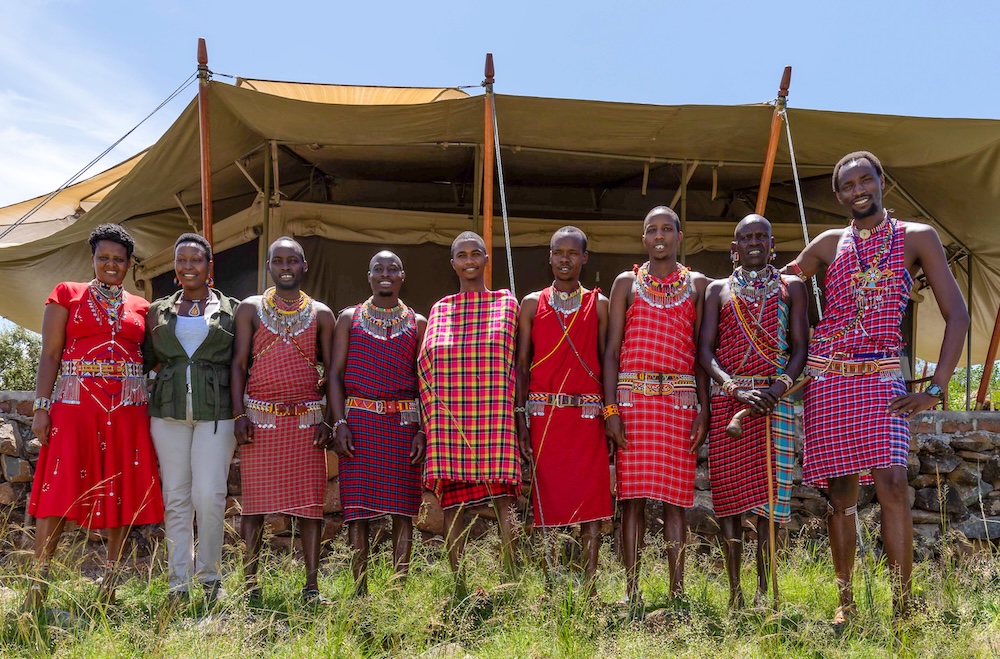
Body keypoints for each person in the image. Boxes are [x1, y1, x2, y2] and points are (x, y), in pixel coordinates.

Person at [783, 151, 968, 624]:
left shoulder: (917, 237)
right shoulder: (827, 243)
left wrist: (937, 386)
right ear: (838, 194)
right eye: (848, 185)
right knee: (841, 496)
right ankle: (845, 606)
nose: (858, 189)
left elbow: (958, 315)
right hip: (829, 382)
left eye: (866, 180)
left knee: (894, 484)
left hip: (883, 379)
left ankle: (904, 607)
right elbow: (782, 282)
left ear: (882, 181)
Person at [25, 223, 164, 610]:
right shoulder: (67, 294)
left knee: (120, 490)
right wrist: (41, 406)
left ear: (129, 264)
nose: (111, 264)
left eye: (119, 259)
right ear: (92, 259)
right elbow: (50, 355)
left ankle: (110, 582)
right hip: (74, 408)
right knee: (58, 487)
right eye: (103, 257)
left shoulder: (142, 306)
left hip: (127, 412)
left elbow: (154, 357)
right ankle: (38, 583)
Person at [699, 215, 808, 608]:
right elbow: (705, 352)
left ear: (772, 243)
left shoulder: (791, 287)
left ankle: (765, 591)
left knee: (770, 502)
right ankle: (735, 593)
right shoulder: (717, 290)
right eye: (746, 237)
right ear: (735, 248)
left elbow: (800, 349)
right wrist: (733, 388)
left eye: (762, 235)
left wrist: (777, 388)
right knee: (729, 501)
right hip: (730, 401)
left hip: (773, 401)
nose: (754, 242)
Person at [603, 206, 709, 612]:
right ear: (643, 239)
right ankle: (631, 590)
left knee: (676, 501)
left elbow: (702, 355)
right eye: (652, 230)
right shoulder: (626, 283)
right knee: (631, 498)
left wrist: (705, 408)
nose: (659, 235)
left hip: (680, 402)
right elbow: (611, 352)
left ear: (680, 236)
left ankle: (677, 591)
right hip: (632, 401)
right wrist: (611, 409)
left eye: (667, 228)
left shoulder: (698, 284)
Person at [231, 236, 337, 606]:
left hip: (307, 423)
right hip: (260, 420)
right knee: (255, 507)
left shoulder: (323, 313)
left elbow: (331, 371)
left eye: (293, 260)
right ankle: (249, 584)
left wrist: (328, 417)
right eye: (279, 260)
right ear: (269, 267)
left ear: (304, 266)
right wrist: (239, 414)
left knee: (310, 508)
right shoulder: (250, 308)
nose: (286, 266)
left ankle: (311, 588)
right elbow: (239, 365)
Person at [418, 231, 521, 596]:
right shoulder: (441, 308)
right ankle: (459, 583)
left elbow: (515, 362)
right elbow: (425, 363)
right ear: (453, 264)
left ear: (487, 259)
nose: (469, 260)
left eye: (476, 253)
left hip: (494, 416)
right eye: (461, 255)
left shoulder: (506, 304)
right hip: (450, 419)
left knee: (504, 499)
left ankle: (511, 579)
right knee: (453, 503)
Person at [144, 233, 239, 606]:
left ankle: (211, 576)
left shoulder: (232, 309)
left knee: (209, 494)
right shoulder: (158, 310)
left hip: (216, 412)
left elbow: (240, 360)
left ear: (209, 266)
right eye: (181, 260)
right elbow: (148, 356)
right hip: (167, 413)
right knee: (176, 497)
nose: (187, 266)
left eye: (195, 260)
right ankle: (178, 583)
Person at [515, 226, 612, 591]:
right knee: (548, 504)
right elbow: (521, 365)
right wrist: (520, 417)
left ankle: (589, 585)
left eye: (573, 253)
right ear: (550, 256)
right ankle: (550, 584)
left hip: (587, 417)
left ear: (584, 258)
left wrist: (610, 414)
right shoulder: (530, 303)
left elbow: (606, 360)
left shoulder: (598, 304)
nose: (565, 259)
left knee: (591, 502)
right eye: (559, 252)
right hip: (543, 416)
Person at [330, 250, 427, 596]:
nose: (385, 274)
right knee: (358, 511)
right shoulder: (349, 318)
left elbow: (424, 384)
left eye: (392, 269)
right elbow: (335, 376)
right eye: (378, 269)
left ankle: (397, 591)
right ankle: (360, 591)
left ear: (403, 276)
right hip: (359, 423)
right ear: (368, 276)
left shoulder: (418, 323)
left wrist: (421, 430)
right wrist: (339, 421)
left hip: (402, 425)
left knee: (403, 509)